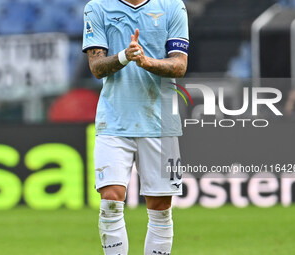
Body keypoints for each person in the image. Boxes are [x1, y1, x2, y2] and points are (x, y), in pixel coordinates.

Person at [82, 0, 189, 254]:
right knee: (110, 200)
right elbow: (96, 68)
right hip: (114, 121)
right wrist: (124, 56)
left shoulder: (173, 6)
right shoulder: (96, 7)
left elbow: (180, 65)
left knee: (161, 209)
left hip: (161, 122)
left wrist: (146, 62)